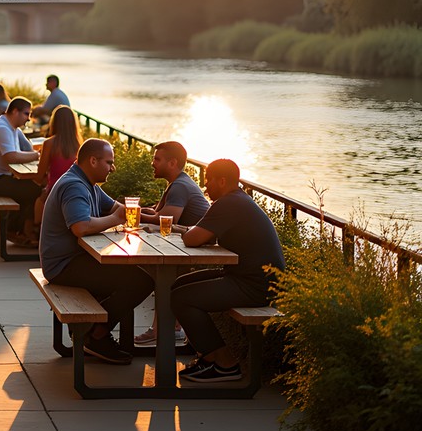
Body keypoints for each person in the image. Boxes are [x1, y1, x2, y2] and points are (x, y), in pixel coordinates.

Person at [39, 138, 154, 365]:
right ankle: (96, 334)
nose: (113, 168)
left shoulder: (87, 184)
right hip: (63, 266)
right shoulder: (74, 186)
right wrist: (114, 220)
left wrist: (149, 216)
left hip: (73, 259)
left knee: (133, 276)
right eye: (109, 162)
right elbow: (81, 227)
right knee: (141, 282)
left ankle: (94, 331)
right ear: (92, 161)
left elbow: (118, 209)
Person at [173, 159, 286, 383]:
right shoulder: (238, 200)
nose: (206, 188)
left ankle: (226, 364)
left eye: (209, 182)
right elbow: (207, 234)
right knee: (176, 286)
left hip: (256, 286)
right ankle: (209, 357)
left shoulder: (229, 203)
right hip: (250, 278)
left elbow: (193, 239)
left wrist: (187, 232)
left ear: (222, 181)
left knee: (180, 298)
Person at [134, 140, 211, 346]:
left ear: (172, 162)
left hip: (200, 249)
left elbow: (167, 219)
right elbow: (158, 212)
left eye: (157, 159)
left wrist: (129, 214)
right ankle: (167, 328)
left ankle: (166, 329)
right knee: (155, 272)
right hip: (186, 246)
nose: (153, 163)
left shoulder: (180, 186)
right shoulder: (177, 183)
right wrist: (138, 210)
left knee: (157, 275)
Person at [0, 97, 42, 243]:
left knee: (33, 187)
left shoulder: (11, 127)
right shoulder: (2, 128)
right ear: (15, 111)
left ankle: (20, 229)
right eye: (26, 114)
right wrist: (37, 156)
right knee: (35, 190)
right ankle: (15, 231)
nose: (28, 119)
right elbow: (10, 157)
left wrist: (35, 153)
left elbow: (27, 147)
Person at [33, 105, 82, 226]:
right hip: (75, 191)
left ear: (54, 122)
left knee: (35, 197)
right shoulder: (80, 145)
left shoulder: (49, 143)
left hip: (54, 192)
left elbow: (39, 178)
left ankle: (35, 230)